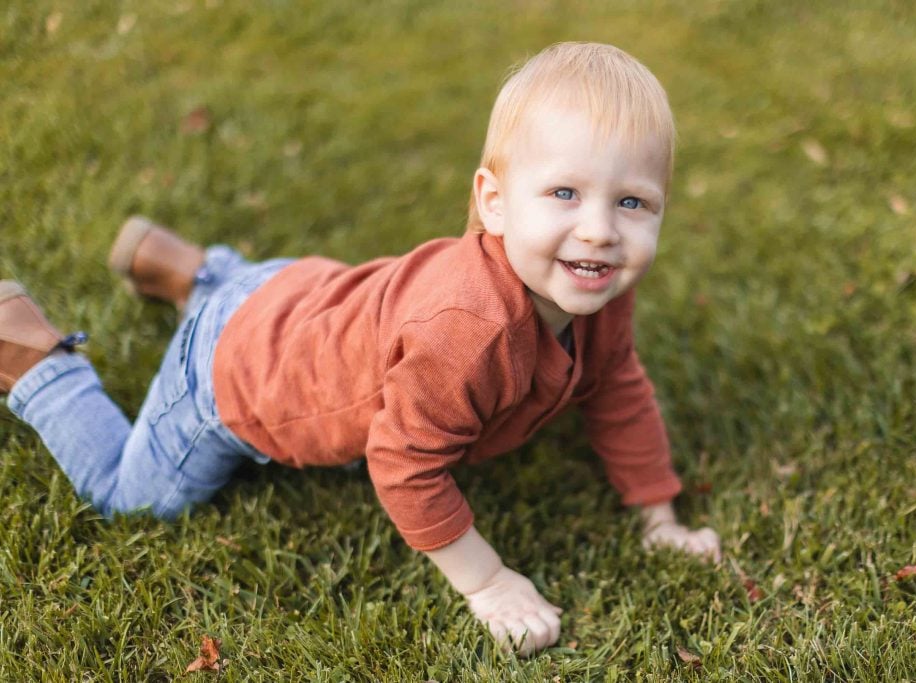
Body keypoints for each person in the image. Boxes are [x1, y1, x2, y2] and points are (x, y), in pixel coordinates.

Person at [0, 42, 720, 656]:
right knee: (132, 500)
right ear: (494, 202)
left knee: (279, 311)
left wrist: (660, 514)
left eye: (632, 202)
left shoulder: (593, 285)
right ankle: (36, 359)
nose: (599, 230)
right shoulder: (470, 336)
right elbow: (403, 465)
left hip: (291, 292)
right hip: (235, 375)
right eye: (565, 192)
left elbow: (617, 385)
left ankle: (188, 270)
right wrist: (490, 580)